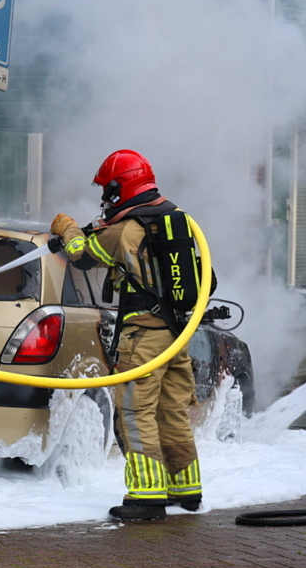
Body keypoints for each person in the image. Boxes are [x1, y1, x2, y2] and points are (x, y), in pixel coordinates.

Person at [51, 149, 203, 521]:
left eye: (107, 189)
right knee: (172, 412)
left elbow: (81, 256)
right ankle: (185, 489)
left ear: (119, 188)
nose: (105, 197)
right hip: (177, 334)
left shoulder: (124, 230)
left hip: (144, 338)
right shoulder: (177, 219)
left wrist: (66, 228)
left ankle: (146, 497)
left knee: (136, 413)